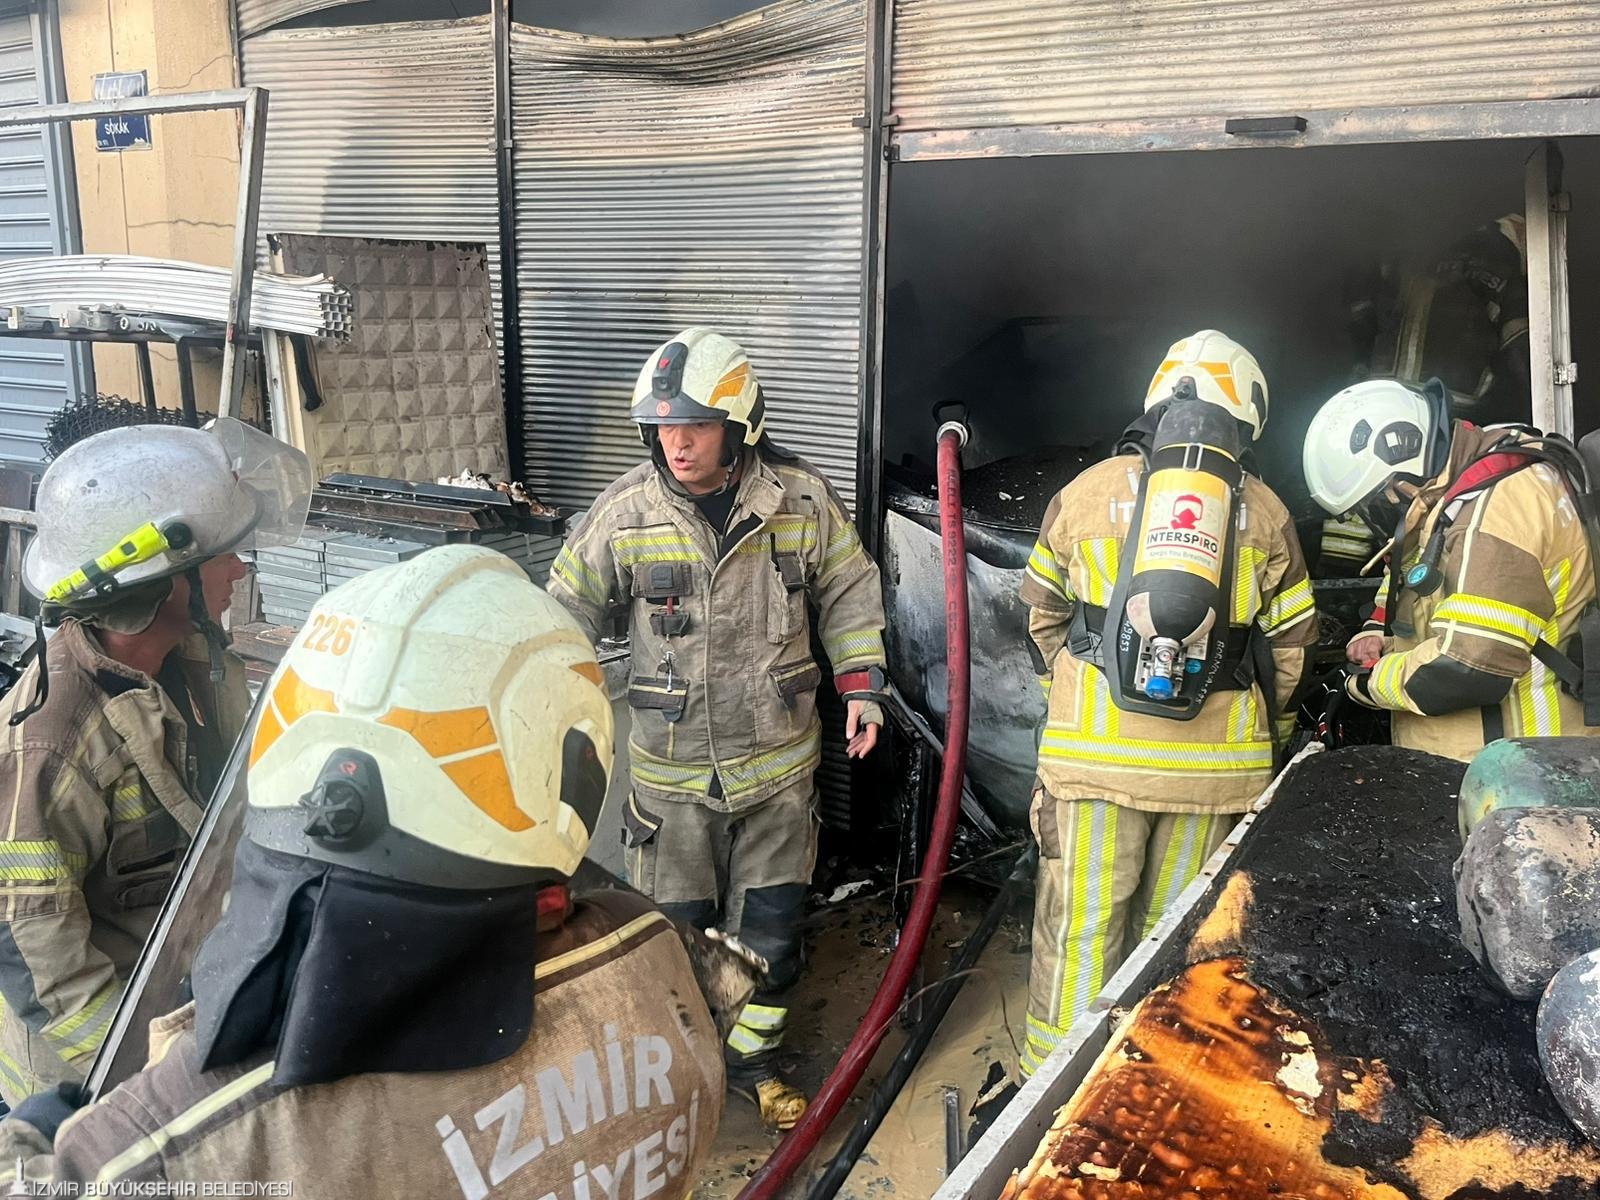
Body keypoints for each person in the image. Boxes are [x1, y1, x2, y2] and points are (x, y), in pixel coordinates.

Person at [0, 545, 732, 1196]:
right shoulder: (662, 961)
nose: (241, 568)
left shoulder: (185, 1141)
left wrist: (39, 1138)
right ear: (573, 763)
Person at [548, 327, 888, 1130]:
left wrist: (862, 688)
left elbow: (849, 590)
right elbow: (563, 614)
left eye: (696, 426)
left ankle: (754, 1066)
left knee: (771, 937)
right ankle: (679, 1082)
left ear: (739, 428)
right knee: (673, 943)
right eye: (665, 427)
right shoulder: (625, 512)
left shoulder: (801, 501)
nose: (678, 443)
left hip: (778, 776)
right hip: (670, 789)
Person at [1018, 330, 1317, 1076]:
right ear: (1247, 418)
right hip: (1214, 773)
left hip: (1092, 768)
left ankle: (1048, 1090)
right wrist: (1272, 731)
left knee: (1082, 930)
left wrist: (1074, 692)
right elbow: (1292, 649)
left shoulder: (1086, 492)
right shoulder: (1269, 513)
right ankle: (1143, 1088)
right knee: (1174, 934)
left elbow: (1039, 615)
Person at [0, 419, 311, 1100]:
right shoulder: (51, 741)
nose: (240, 569)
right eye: (223, 556)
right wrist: (142, 1083)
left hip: (181, 1000)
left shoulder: (198, 661)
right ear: (163, 581)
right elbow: (34, 950)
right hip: (91, 1082)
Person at [1304, 377, 1600, 761]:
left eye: (1378, 501)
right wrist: (1381, 638)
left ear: (1400, 474)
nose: (1382, 513)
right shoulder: (1457, 500)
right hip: (1499, 762)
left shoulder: (1499, 509)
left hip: (1516, 769)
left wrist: (1364, 685)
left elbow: (1468, 666)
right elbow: (1431, 601)